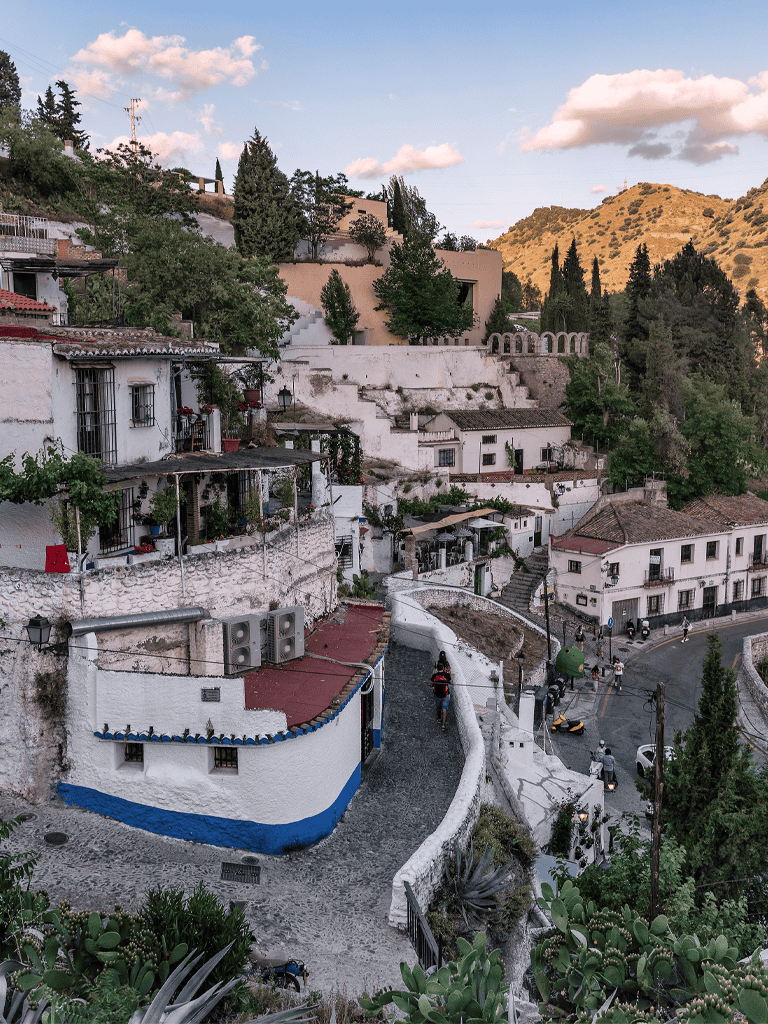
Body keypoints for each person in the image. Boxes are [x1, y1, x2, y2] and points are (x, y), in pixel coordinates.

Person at [431, 660, 451, 732]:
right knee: (444, 710)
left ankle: (439, 718)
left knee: (438, 706)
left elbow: (431, 685)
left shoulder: (434, 676)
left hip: (437, 695)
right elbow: (451, 682)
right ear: (443, 668)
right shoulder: (447, 675)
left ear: (437, 668)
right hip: (445, 695)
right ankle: (443, 725)